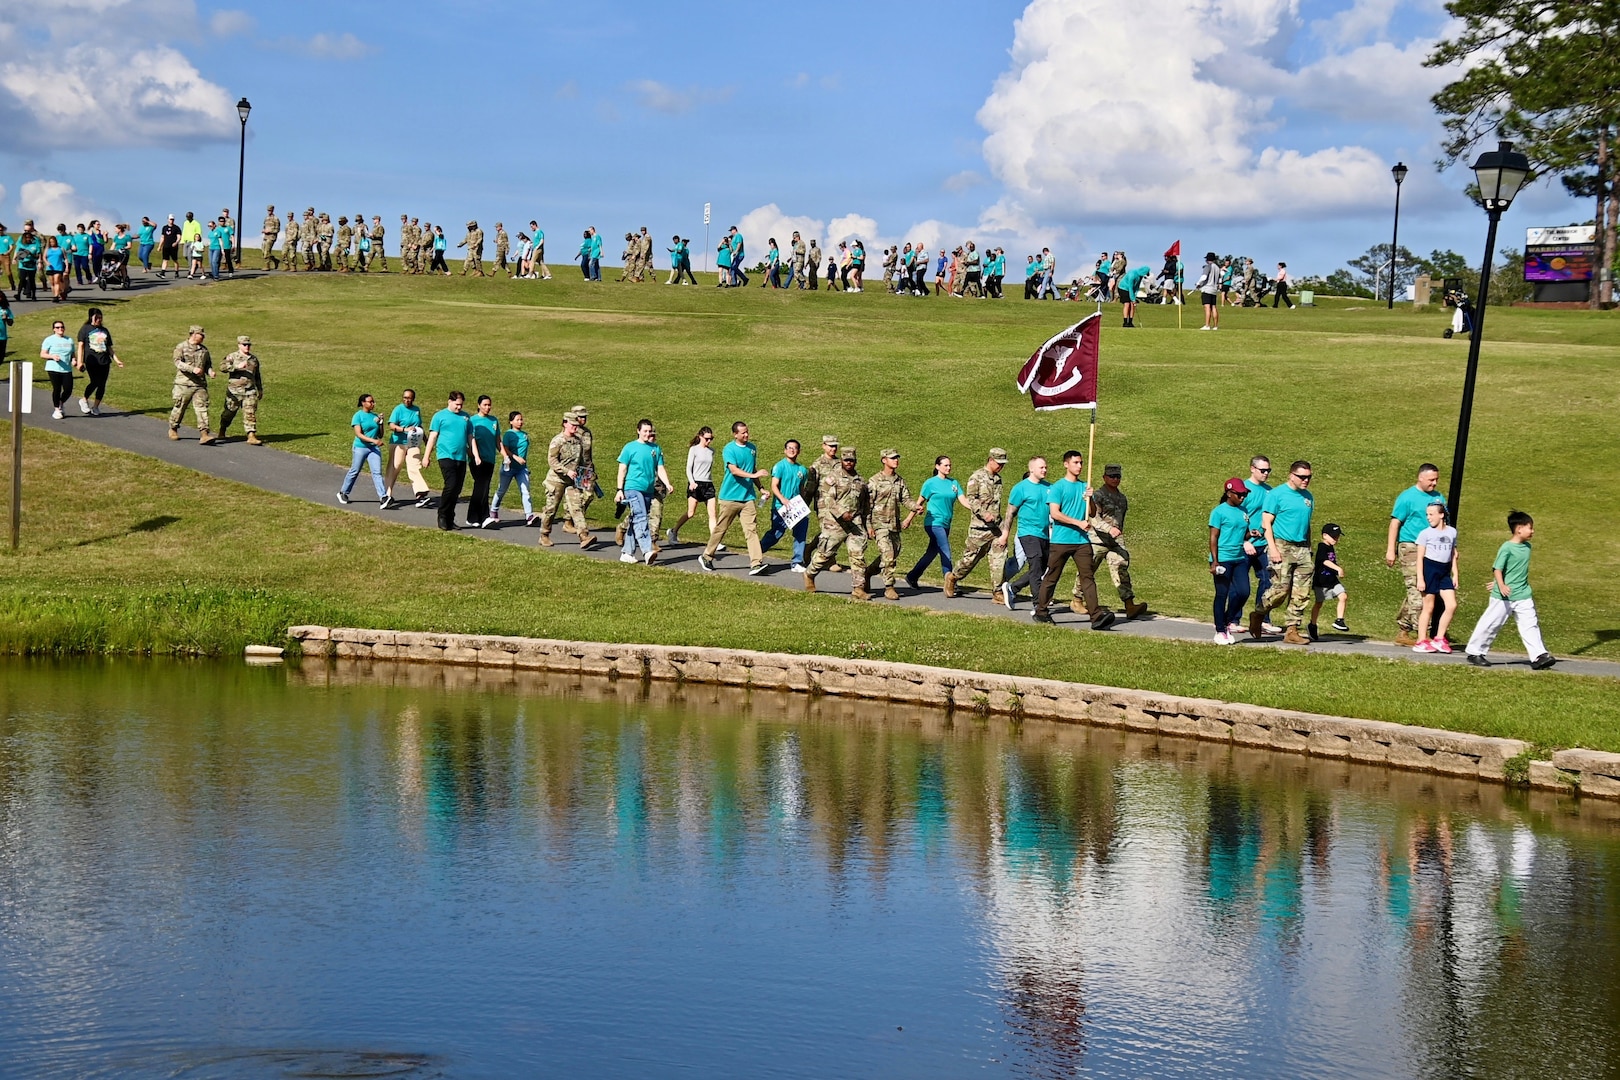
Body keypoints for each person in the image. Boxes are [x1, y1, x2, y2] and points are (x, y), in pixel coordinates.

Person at [1034, 451, 1115, 629]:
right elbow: (1055, 513)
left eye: (1081, 463)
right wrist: (1078, 522)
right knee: (1052, 577)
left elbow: (1092, 513)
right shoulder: (1058, 487)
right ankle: (1041, 611)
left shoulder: (1084, 486)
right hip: (1061, 540)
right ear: (1066, 464)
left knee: (1088, 578)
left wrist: (1090, 499)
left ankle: (1096, 617)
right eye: (1076, 462)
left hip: (1081, 542)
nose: (1079, 466)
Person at [1465, 511, 1555, 669]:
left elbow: (1514, 570)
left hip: (1523, 594)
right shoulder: (1506, 548)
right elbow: (1497, 568)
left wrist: (1502, 582)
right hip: (1503, 597)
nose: (1533, 531)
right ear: (1519, 529)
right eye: (1530, 528)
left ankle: (1539, 656)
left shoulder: (1527, 547)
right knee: (1491, 624)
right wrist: (1500, 585)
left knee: (1530, 624)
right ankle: (1475, 652)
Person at [1252, 460, 1315, 644]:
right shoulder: (1277, 494)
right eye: (1302, 477)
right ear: (1291, 475)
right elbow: (1266, 523)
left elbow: (1306, 524)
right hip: (1281, 545)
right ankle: (1258, 613)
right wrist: (1272, 548)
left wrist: (1309, 547)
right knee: (1280, 590)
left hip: (1302, 547)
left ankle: (1292, 630)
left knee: (1302, 592)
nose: (1306, 480)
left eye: (1308, 477)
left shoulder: (1308, 497)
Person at [1385, 464, 1448, 647]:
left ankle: (1404, 630)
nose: (1434, 483)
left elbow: (1444, 522)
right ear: (1420, 478)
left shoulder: (1438, 498)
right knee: (1418, 590)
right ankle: (1424, 633)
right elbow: (1395, 523)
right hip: (1411, 546)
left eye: (1436, 479)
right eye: (1431, 480)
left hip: (1433, 548)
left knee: (1426, 587)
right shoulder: (1407, 497)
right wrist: (1391, 549)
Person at [700, 421, 769, 574]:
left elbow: (752, 468)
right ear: (735, 434)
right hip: (729, 497)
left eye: (747, 432)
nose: (746, 435)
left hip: (747, 498)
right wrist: (754, 475)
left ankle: (756, 563)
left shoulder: (752, 448)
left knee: (751, 530)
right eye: (743, 432)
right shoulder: (729, 449)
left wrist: (761, 488)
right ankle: (707, 556)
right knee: (721, 529)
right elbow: (734, 470)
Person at [804, 446, 870, 599]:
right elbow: (827, 499)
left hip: (855, 524)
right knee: (825, 554)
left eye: (851, 460)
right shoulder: (832, 478)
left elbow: (865, 505)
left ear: (855, 461)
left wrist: (868, 525)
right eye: (846, 460)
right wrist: (841, 512)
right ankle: (809, 574)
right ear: (841, 460)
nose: (849, 463)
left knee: (857, 555)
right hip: (835, 523)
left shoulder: (861, 481)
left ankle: (858, 588)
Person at [944, 448, 1009, 601]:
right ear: (991, 460)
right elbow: (971, 499)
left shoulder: (998, 480)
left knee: (999, 558)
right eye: (999, 463)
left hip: (996, 529)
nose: (1001, 466)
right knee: (970, 560)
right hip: (979, 528)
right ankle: (953, 577)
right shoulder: (976, 477)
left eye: (1003, 464)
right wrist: (984, 513)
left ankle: (998, 592)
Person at [1085, 463, 1148, 618]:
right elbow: (1093, 517)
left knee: (1121, 567)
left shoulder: (1122, 498)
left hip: (1115, 541)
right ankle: (1077, 598)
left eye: (1117, 476)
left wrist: (1118, 534)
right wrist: (1109, 529)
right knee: (1088, 570)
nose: (1115, 479)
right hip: (1097, 539)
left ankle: (1129, 604)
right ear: (1104, 477)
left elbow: (1120, 521)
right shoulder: (1097, 495)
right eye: (1111, 476)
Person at [906, 456, 970, 589]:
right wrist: (908, 519)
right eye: (945, 465)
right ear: (937, 466)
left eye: (950, 465)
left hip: (946, 523)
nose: (948, 468)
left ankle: (912, 576)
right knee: (945, 549)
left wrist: (978, 509)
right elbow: (919, 503)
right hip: (933, 522)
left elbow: (964, 501)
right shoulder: (930, 483)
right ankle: (950, 582)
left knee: (932, 552)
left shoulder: (954, 483)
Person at [615, 418, 673, 564]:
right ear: (638, 431)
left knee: (636, 519)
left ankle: (627, 553)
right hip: (632, 487)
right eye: (645, 431)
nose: (647, 434)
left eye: (649, 431)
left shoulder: (655, 449)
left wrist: (667, 484)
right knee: (641, 517)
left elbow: (659, 468)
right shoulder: (630, 447)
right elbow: (622, 469)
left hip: (648, 489)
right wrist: (619, 489)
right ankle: (647, 550)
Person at [997, 457, 1051, 610]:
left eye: (1045, 467)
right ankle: (1039, 606)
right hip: (1027, 533)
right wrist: (1005, 533)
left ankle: (1012, 588)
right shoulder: (1020, 488)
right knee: (1035, 565)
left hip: (1044, 534)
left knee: (1041, 568)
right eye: (1041, 467)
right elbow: (1010, 512)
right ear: (1032, 469)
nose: (1045, 470)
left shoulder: (1049, 488)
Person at [864, 449, 915, 599]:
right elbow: (868, 505)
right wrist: (868, 526)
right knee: (888, 554)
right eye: (892, 458)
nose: (896, 460)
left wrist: (914, 507)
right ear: (884, 460)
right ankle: (889, 587)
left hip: (894, 524)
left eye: (897, 458)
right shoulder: (875, 481)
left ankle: (868, 572)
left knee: (894, 552)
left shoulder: (899, 481)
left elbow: (906, 498)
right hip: (879, 524)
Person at [1208, 478, 1252, 644]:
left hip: (1239, 557)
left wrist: (1251, 534)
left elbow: (1242, 534)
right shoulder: (1219, 512)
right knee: (1222, 594)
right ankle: (1220, 631)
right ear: (1229, 493)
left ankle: (1226, 620)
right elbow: (1214, 537)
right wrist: (1215, 561)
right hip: (1223, 559)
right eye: (1239, 494)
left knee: (1243, 592)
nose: (1242, 497)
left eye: (1244, 494)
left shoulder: (1243, 511)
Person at [1411, 503, 1458, 653]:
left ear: (1441, 515)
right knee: (1429, 607)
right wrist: (1420, 578)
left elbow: (1453, 554)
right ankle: (1421, 640)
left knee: (1451, 605)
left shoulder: (1451, 532)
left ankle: (1439, 638)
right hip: (1429, 569)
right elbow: (1419, 558)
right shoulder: (1425, 534)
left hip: (1444, 571)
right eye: (1427, 514)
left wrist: (1455, 573)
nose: (1428, 517)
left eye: (1431, 514)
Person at [540, 412, 592, 548]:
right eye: (572, 424)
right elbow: (552, 460)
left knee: (576, 507)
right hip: (556, 480)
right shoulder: (557, 441)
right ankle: (544, 535)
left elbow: (581, 461)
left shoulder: (578, 441)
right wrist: (566, 471)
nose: (575, 427)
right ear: (564, 424)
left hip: (572, 482)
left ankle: (584, 536)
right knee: (551, 509)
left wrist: (585, 478)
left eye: (576, 424)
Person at [422, 392, 473, 531]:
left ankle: (450, 518)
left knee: (457, 489)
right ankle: (442, 515)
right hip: (445, 455)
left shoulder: (466, 417)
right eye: (457, 404)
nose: (459, 407)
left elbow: (469, 437)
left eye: (461, 405)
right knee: (450, 485)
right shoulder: (439, 416)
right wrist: (426, 456)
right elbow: (432, 437)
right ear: (449, 401)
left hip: (461, 457)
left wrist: (474, 454)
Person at [760, 439, 811, 572]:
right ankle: (757, 552)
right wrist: (782, 499)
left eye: (794, 448)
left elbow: (801, 488)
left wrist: (803, 503)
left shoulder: (802, 470)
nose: (792, 450)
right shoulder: (780, 466)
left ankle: (797, 562)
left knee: (801, 532)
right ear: (785, 450)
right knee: (776, 533)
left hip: (796, 507)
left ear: (798, 451)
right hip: (780, 507)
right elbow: (774, 485)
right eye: (789, 448)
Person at [1241, 456, 1276, 635]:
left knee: (1268, 581)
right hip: (1245, 544)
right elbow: (1234, 517)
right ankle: (1233, 620)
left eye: (1268, 470)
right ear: (1252, 469)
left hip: (1263, 544)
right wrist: (1244, 541)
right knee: (1240, 585)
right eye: (1263, 470)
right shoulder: (1243, 490)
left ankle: (1263, 619)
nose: (1266, 474)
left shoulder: (1270, 491)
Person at [668, 426, 717, 546]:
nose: (709, 441)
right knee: (691, 513)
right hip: (695, 483)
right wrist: (692, 482)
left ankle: (714, 541)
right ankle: (673, 531)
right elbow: (689, 468)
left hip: (708, 484)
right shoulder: (694, 450)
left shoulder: (712, 451)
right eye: (707, 439)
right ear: (700, 437)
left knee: (712, 514)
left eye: (711, 439)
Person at [384, 388, 431, 509]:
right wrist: (404, 429)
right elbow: (391, 425)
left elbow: (419, 425)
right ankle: (387, 495)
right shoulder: (398, 409)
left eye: (409, 398)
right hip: (398, 442)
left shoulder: (416, 410)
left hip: (413, 442)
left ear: (413, 399)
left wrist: (426, 441)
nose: (406, 400)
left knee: (415, 465)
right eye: (404, 398)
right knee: (395, 467)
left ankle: (420, 494)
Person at [168, 325, 216, 443]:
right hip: (184, 384)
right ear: (194, 334)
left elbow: (207, 365)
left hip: (199, 385)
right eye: (201, 335)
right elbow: (177, 362)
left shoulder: (204, 350)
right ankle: (173, 428)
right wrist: (192, 369)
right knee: (180, 407)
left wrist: (210, 372)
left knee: (202, 408)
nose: (203, 337)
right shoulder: (181, 347)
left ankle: (204, 434)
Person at [338, 394, 388, 505]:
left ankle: (383, 497)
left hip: (373, 449)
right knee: (355, 470)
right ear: (363, 403)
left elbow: (380, 434)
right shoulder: (358, 416)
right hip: (360, 447)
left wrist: (381, 423)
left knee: (377, 472)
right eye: (370, 402)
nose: (373, 404)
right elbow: (358, 434)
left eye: (373, 401)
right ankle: (343, 492)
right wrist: (374, 441)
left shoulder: (374, 416)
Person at [74, 308, 124, 416]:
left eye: (100, 317)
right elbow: (81, 346)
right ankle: (84, 399)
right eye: (96, 317)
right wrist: (79, 361)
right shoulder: (85, 329)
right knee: (95, 381)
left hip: (105, 361)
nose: (99, 320)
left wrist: (116, 360)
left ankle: (96, 407)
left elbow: (109, 347)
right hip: (92, 361)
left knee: (102, 385)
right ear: (91, 317)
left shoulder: (104, 330)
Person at [216, 334, 264, 444]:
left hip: (249, 391)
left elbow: (257, 375)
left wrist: (260, 389)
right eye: (244, 345)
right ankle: (222, 429)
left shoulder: (253, 359)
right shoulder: (232, 356)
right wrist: (237, 367)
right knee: (229, 413)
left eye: (248, 345)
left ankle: (251, 435)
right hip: (234, 391)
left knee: (250, 413)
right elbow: (222, 368)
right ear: (239, 345)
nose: (247, 347)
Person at [492, 410, 534, 526]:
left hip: (521, 469)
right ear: (511, 422)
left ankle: (529, 515)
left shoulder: (524, 434)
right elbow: (504, 448)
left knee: (525, 491)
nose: (520, 422)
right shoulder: (509, 434)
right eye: (517, 420)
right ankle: (494, 511)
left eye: (521, 419)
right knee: (502, 490)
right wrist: (515, 458)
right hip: (509, 468)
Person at [1308, 523, 1348, 640]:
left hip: (1332, 580)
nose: (1336, 539)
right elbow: (1323, 561)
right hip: (1321, 581)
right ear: (1325, 535)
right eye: (1333, 536)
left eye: (1337, 537)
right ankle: (1312, 625)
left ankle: (1339, 620)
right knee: (1319, 603)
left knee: (1343, 596)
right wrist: (1338, 568)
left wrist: (1336, 572)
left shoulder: (1331, 547)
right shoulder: (1322, 546)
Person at [467, 395, 499, 526]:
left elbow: (498, 440)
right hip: (477, 459)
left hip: (490, 458)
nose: (488, 407)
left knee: (482, 487)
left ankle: (473, 517)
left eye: (489, 405)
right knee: (482, 486)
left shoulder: (494, 421)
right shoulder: (472, 421)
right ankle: (485, 516)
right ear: (479, 405)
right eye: (485, 405)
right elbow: (467, 440)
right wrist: (473, 455)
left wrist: (506, 455)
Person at [40, 319, 75, 420]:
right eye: (58, 327)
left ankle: (61, 403)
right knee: (57, 388)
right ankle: (57, 409)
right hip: (53, 368)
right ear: (54, 329)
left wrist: (73, 360)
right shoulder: (49, 340)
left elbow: (72, 353)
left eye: (62, 327)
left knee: (68, 389)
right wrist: (52, 356)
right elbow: (42, 354)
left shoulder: (69, 340)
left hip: (66, 369)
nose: (60, 329)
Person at [1119, 262, 1152, 328]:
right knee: (1127, 304)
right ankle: (1125, 323)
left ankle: (1130, 322)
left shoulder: (1140, 276)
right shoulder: (1132, 274)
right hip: (1123, 288)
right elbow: (1130, 288)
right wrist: (1133, 299)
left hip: (1131, 289)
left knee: (1133, 305)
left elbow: (1136, 287)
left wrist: (1135, 296)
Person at [1196, 252, 1221, 330]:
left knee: (1207, 307)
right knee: (1213, 307)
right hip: (1214, 289)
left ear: (1207, 259)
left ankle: (1207, 325)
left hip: (1207, 288)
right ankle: (1215, 326)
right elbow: (1220, 279)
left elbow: (1204, 277)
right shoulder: (1217, 267)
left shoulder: (1208, 266)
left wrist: (1198, 283)